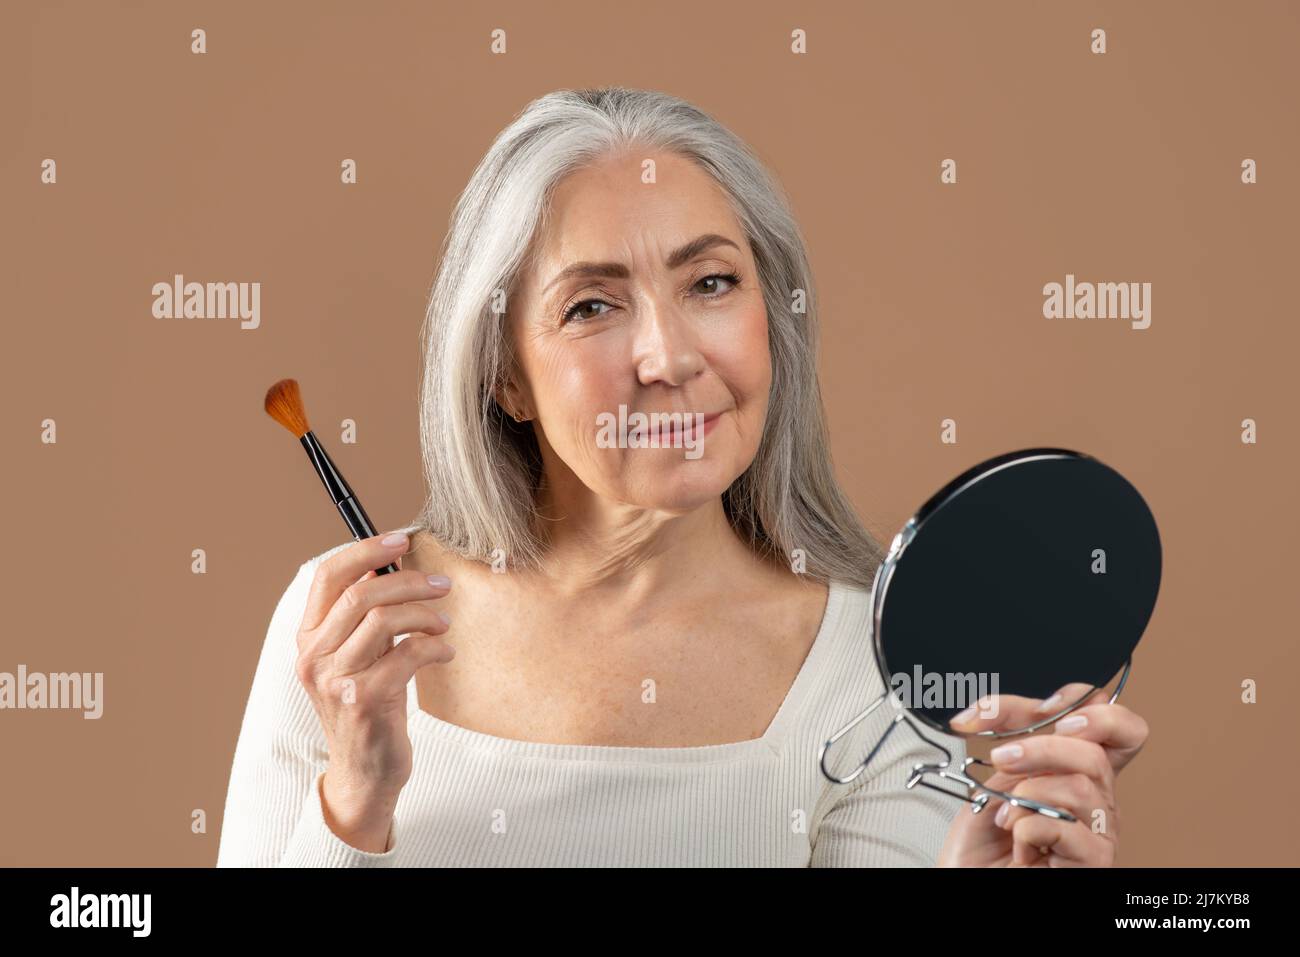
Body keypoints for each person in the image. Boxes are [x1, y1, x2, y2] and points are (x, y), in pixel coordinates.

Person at [217, 87, 1147, 867]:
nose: (667, 357)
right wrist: (354, 802)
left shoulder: (876, 672)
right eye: (591, 304)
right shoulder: (344, 638)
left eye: (710, 284)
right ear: (504, 374)